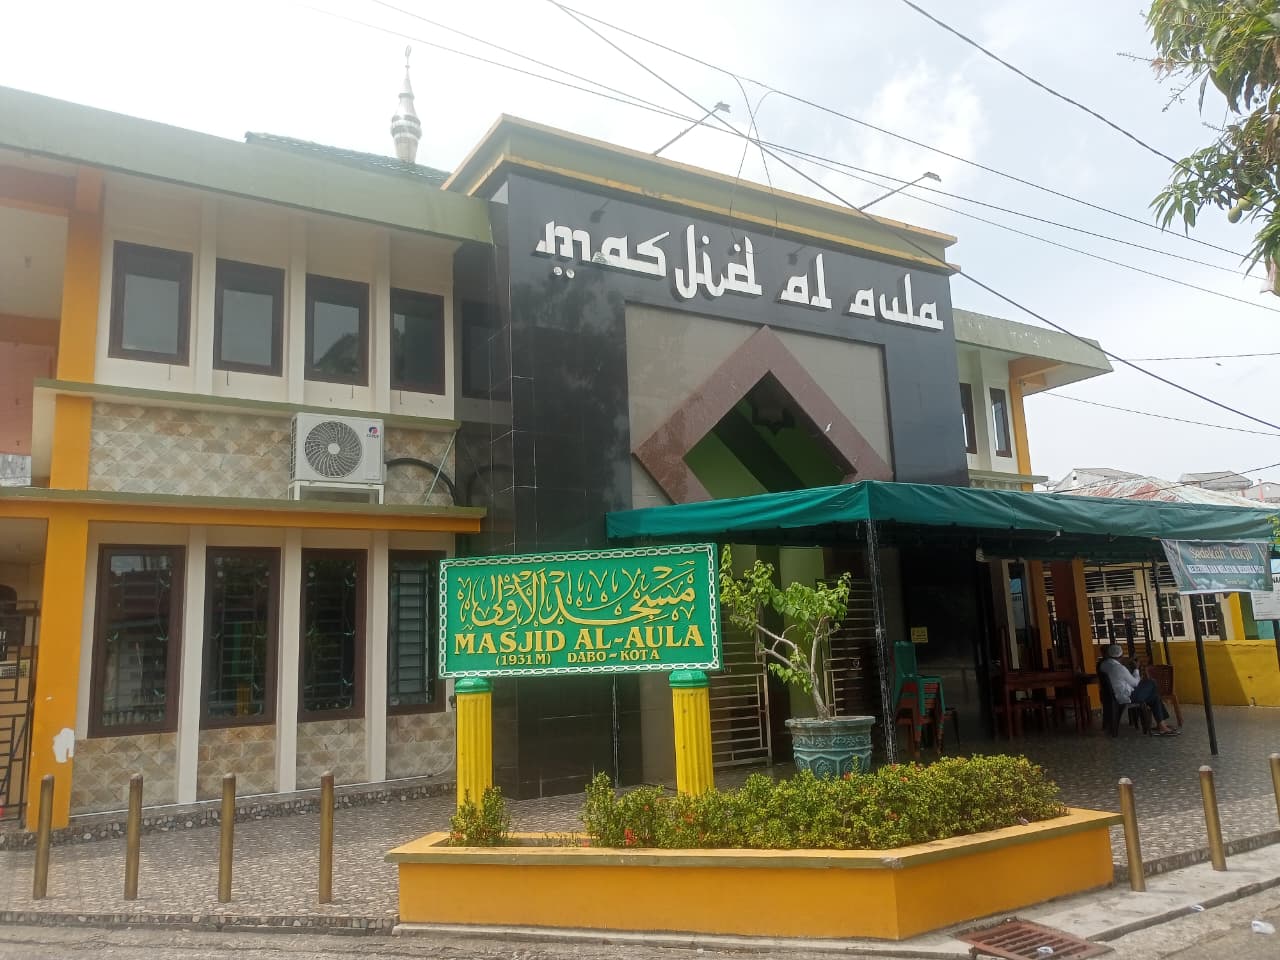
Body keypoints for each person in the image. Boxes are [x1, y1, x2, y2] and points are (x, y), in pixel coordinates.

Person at [1098, 644, 1179, 735]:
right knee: (1152, 683)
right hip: (1127, 696)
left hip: (1116, 695)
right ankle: (1162, 725)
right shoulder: (1120, 668)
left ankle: (1161, 725)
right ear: (1121, 656)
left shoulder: (1104, 665)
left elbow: (1120, 678)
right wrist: (1136, 669)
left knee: (1155, 697)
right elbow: (1135, 683)